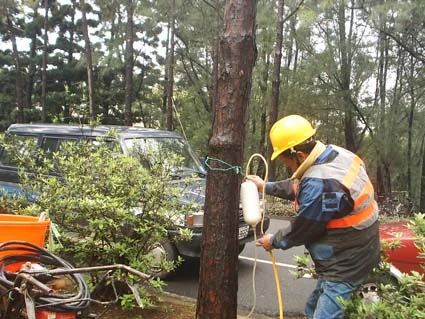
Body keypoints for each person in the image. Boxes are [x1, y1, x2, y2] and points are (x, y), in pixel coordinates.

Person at [247, 114, 380, 319]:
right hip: (356, 249)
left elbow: (304, 228)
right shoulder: (335, 155)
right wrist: (265, 186)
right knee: (311, 308)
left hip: (346, 263)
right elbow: (301, 186)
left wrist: (273, 241)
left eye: (286, 162)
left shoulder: (322, 183)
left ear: (299, 155)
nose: (288, 167)